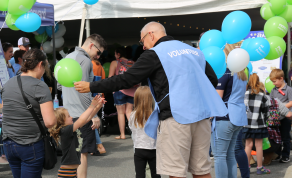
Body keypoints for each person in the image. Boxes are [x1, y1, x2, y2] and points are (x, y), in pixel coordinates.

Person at [75, 22, 224, 178]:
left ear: (151, 35)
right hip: (202, 117)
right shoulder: (194, 51)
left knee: (176, 172)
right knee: (202, 171)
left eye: (142, 41)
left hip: (176, 118)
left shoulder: (155, 53)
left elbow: (126, 79)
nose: (144, 46)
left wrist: (91, 86)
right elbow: (212, 80)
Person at [1, 49, 56, 178]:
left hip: (9, 143)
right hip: (30, 143)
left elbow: (4, 110)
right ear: (40, 64)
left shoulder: (8, 84)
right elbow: (50, 122)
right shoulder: (40, 86)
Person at [59, 34, 107, 178]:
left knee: (72, 154)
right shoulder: (85, 60)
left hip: (68, 114)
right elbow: (84, 91)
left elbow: (59, 86)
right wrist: (94, 115)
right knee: (83, 155)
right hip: (82, 114)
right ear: (91, 45)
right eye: (98, 52)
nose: (98, 56)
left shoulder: (67, 58)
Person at [211, 44, 248, 178]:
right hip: (238, 117)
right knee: (230, 154)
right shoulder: (242, 74)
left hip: (224, 118)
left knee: (220, 156)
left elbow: (217, 97)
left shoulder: (224, 72)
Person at [49, 96, 105, 178]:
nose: (71, 117)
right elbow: (81, 120)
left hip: (71, 172)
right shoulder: (65, 130)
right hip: (66, 173)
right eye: (68, 116)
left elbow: (87, 119)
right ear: (61, 121)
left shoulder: (70, 128)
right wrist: (92, 105)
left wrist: (98, 106)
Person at [129, 86, 161, 178]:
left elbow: (131, 128)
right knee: (156, 174)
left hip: (139, 148)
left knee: (139, 175)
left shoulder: (133, 115)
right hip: (154, 148)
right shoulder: (155, 114)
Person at [243, 73, 271, 174]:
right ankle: (260, 168)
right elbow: (266, 111)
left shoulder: (245, 94)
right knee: (259, 145)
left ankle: (246, 168)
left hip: (247, 123)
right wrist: (265, 119)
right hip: (259, 123)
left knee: (248, 145)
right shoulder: (262, 95)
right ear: (259, 81)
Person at [109, 46, 138, 139]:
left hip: (119, 90)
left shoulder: (115, 62)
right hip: (132, 91)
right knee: (129, 112)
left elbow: (110, 77)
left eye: (115, 53)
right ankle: (135, 133)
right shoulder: (133, 63)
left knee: (120, 113)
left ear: (118, 54)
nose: (114, 55)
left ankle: (122, 134)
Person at [269, 69, 292, 163]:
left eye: (275, 81)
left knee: (285, 136)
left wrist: (280, 107)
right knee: (276, 136)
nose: (274, 83)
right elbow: (270, 101)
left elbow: (291, 102)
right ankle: (277, 153)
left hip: (286, 117)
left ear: (281, 78)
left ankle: (286, 155)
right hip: (275, 117)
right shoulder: (273, 90)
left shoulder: (288, 89)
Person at [91, 59, 106, 155]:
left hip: (90, 93)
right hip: (98, 93)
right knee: (93, 117)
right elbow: (104, 80)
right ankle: (98, 145)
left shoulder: (89, 64)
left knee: (91, 118)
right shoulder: (100, 66)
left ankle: (98, 145)